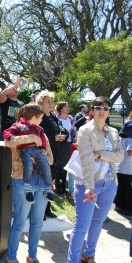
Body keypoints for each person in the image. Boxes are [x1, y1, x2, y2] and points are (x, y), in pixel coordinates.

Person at [67, 96, 123, 263]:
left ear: (109, 112)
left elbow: (120, 156)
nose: (102, 111)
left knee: (98, 222)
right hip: (89, 184)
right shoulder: (85, 130)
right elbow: (86, 160)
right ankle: (73, 260)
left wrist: (99, 154)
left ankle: (88, 254)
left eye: (106, 108)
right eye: (98, 107)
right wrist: (89, 186)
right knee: (82, 226)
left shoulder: (113, 132)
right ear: (92, 110)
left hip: (109, 183)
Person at [5, 132, 54, 263]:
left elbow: (50, 159)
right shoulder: (15, 133)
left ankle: (32, 256)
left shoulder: (43, 134)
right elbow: (9, 145)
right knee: (19, 222)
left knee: (37, 223)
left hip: (42, 181)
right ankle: (11, 257)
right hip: (23, 181)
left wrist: (38, 158)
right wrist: (31, 139)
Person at [3, 104, 54, 203]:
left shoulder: (39, 129)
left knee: (46, 166)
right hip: (24, 155)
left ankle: (48, 189)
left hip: (37, 156)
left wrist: (43, 148)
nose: (42, 120)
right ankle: (27, 189)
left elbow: (49, 155)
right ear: (34, 117)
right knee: (28, 166)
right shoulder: (19, 126)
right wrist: (13, 138)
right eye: (41, 118)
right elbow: (6, 134)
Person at [36, 90, 67, 219]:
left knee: (50, 182)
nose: (50, 104)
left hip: (55, 154)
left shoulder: (53, 116)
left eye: (52, 101)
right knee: (42, 182)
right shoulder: (39, 116)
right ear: (41, 102)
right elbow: (38, 134)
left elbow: (58, 129)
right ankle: (39, 211)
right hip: (44, 153)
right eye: (47, 101)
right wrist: (54, 138)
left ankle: (47, 209)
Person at [56, 101, 77, 197]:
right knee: (59, 165)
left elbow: (73, 130)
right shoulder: (57, 119)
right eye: (65, 107)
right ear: (60, 109)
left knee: (66, 165)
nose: (67, 108)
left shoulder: (71, 118)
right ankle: (58, 186)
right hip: (60, 144)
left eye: (67, 106)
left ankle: (64, 186)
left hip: (69, 144)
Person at [114, 120, 132, 216]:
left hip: (120, 166)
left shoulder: (121, 138)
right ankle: (129, 208)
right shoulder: (130, 139)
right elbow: (130, 152)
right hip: (128, 168)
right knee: (128, 189)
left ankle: (119, 205)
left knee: (121, 187)